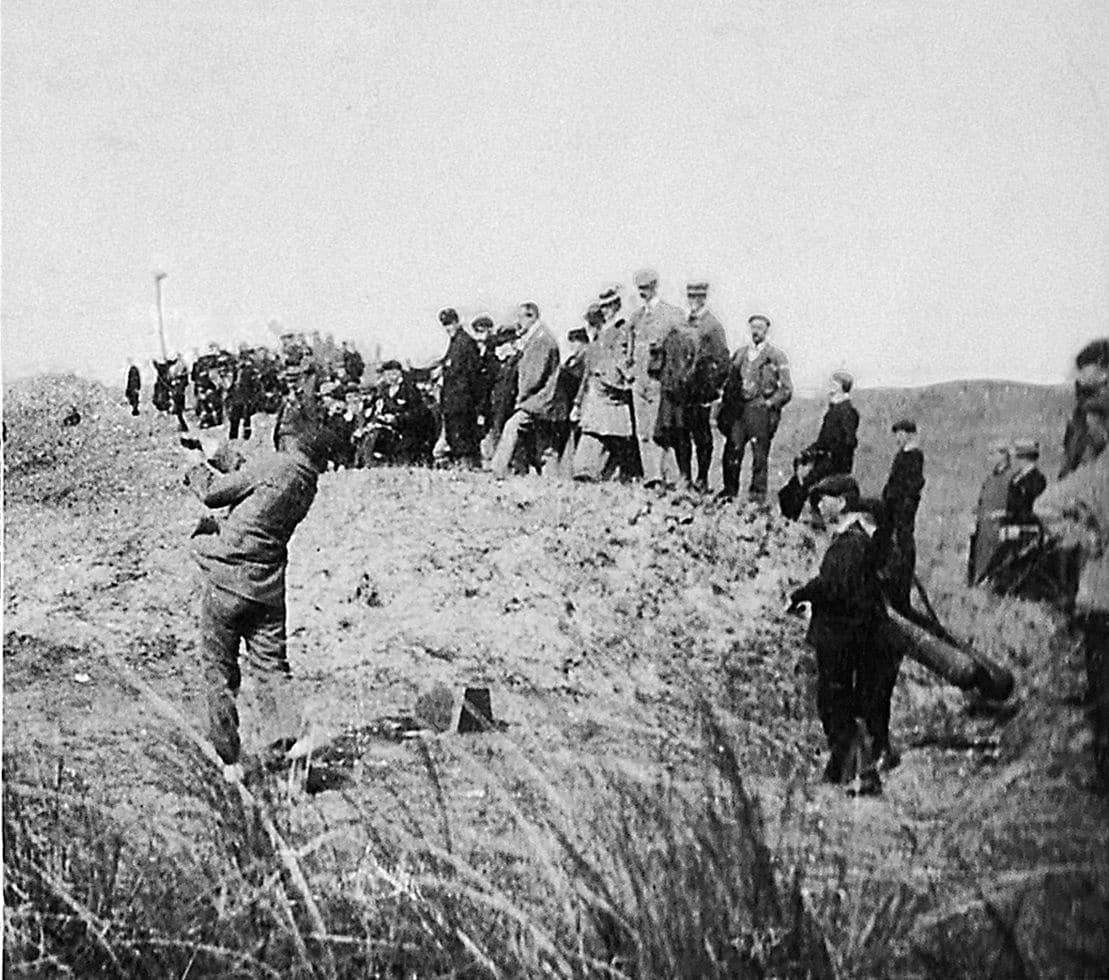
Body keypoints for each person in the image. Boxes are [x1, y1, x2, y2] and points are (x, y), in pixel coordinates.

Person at [183, 426, 333, 782]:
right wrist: (219, 453)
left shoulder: (275, 465)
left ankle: (230, 759)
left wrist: (195, 465)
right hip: (267, 587)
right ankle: (292, 740)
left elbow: (214, 494)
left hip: (227, 581)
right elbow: (257, 478)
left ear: (284, 435)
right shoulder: (305, 478)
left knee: (218, 670)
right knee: (271, 668)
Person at [788, 476, 897, 795]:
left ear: (843, 501)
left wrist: (801, 594)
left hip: (839, 637)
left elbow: (833, 586)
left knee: (835, 705)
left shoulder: (849, 543)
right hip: (851, 634)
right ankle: (848, 772)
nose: (819, 504)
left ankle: (857, 774)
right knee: (845, 705)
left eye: (825, 498)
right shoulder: (859, 539)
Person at [1036, 344, 1109, 786]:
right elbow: (1067, 479)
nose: (1084, 395)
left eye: (1093, 384)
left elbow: (1052, 504)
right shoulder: (1084, 434)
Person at [718, 315, 793, 504]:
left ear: (767, 330)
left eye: (760, 328)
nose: (756, 331)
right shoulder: (740, 354)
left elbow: (786, 389)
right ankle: (729, 493)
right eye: (753, 327)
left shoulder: (776, 356)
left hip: (761, 412)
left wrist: (769, 404)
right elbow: (728, 382)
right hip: (740, 411)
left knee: (759, 456)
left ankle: (757, 499)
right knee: (732, 450)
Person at [625, 268, 686, 486]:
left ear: (655, 286)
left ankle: (666, 476)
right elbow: (626, 347)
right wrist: (629, 372)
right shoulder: (636, 317)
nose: (643, 293)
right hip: (639, 381)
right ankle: (654, 476)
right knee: (643, 431)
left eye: (646, 288)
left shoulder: (672, 314)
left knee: (659, 430)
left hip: (660, 381)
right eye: (640, 289)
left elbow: (684, 346)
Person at [572, 287, 636, 481]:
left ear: (617, 305)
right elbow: (588, 369)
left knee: (611, 435)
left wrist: (612, 380)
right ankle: (587, 472)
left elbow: (624, 359)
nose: (606, 310)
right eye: (603, 306)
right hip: (596, 390)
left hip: (610, 389)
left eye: (609, 306)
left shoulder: (621, 329)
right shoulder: (601, 333)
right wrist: (578, 401)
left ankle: (605, 473)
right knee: (596, 433)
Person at [491, 303, 562, 477]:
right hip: (544, 401)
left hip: (537, 401)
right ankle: (552, 481)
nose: (518, 322)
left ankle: (498, 472)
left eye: (520, 317)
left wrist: (521, 401)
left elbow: (532, 378)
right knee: (546, 445)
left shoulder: (540, 340)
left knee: (512, 427)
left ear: (531, 317)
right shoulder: (540, 336)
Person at [873, 418, 925, 614]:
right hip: (893, 506)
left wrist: (902, 505)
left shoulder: (914, 456)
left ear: (910, 434)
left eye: (900, 434)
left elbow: (912, 486)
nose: (897, 438)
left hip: (902, 509)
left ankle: (900, 593)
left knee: (903, 545)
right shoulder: (901, 455)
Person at [683, 281, 730, 491]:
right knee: (683, 433)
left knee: (702, 437)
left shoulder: (712, 325)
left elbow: (722, 360)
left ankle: (702, 478)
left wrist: (714, 388)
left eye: (697, 298)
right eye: (690, 297)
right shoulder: (686, 322)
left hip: (702, 389)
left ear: (704, 298)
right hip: (685, 389)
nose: (693, 302)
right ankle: (686, 477)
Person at [797, 371, 860, 516]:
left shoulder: (847, 411)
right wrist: (808, 452)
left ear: (841, 387)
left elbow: (848, 441)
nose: (829, 386)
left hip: (836, 463)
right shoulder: (834, 410)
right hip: (827, 458)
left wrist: (827, 454)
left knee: (810, 486)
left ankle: (812, 520)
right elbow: (822, 441)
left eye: (833, 384)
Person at [438, 307, 484, 468]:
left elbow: (473, 375)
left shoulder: (465, 343)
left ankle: (467, 468)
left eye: (450, 323)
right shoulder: (455, 343)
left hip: (463, 401)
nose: (448, 328)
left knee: (463, 440)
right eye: (445, 325)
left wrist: (473, 402)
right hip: (453, 401)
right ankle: (462, 468)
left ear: (457, 322)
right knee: (455, 439)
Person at [968, 441, 1012, 585]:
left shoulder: (1011, 478)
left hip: (998, 529)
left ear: (1003, 456)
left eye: (993, 453)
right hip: (984, 529)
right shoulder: (990, 479)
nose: (990, 458)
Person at [550, 326, 590, 467]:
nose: (572, 345)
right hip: (565, 403)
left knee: (574, 437)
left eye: (575, 342)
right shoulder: (573, 359)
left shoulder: (585, 358)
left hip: (574, 402)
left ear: (583, 342)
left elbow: (582, 382)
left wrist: (576, 404)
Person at [227, 347, 259, 441]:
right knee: (234, 418)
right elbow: (232, 383)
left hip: (246, 396)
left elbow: (255, 385)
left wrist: (252, 397)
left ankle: (246, 436)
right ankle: (233, 437)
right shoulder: (236, 370)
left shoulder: (250, 370)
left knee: (246, 417)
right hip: (236, 397)